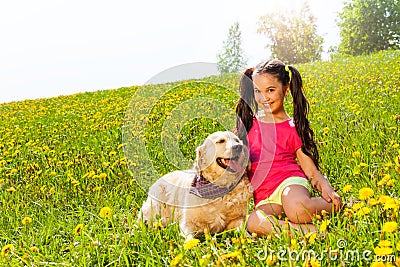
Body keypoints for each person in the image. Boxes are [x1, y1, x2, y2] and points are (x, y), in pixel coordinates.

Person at [235, 59, 342, 236]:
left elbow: (311, 171)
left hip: (290, 182)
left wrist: (326, 188)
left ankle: (335, 205)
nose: (264, 98)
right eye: (257, 91)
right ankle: (306, 232)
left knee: (297, 209)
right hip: (264, 196)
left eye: (270, 90)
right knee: (254, 222)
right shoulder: (248, 124)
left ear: (286, 89)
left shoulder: (294, 128)